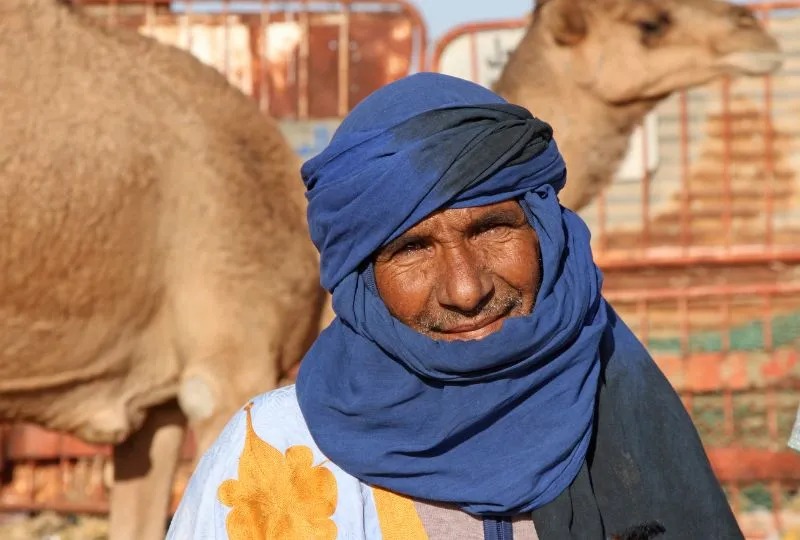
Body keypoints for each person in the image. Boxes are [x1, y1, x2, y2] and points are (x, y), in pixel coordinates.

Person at [166, 73, 743, 540]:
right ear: (363, 276)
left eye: (493, 229)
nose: (466, 291)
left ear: (546, 231)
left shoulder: (619, 402)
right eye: (412, 248)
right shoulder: (271, 454)